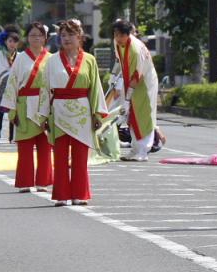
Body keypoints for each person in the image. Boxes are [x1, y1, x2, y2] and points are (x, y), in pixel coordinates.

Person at [40, 20, 107, 206]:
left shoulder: (89, 60)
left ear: (79, 37)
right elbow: (45, 88)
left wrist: (97, 114)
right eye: (63, 35)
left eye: (71, 35)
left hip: (82, 111)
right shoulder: (52, 60)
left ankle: (79, 194)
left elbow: (95, 88)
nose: (66, 39)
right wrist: (44, 114)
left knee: (80, 156)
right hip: (59, 110)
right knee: (60, 155)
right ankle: (61, 194)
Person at [1, 22, 54, 192]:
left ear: (45, 38)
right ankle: (25, 181)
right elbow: (12, 83)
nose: (36, 38)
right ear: (27, 38)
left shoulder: (52, 59)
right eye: (32, 35)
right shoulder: (20, 58)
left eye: (39, 35)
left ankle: (43, 181)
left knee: (45, 146)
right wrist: (12, 110)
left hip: (45, 105)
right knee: (25, 146)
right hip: (24, 105)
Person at [113, 18, 158, 162]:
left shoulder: (136, 49)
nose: (118, 38)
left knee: (143, 115)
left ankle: (143, 151)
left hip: (145, 83)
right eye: (116, 34)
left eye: (121, 35)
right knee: (131, 116)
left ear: (128, 34)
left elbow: (137, 76)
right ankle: (135, 149)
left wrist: (127, 99)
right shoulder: (117, 43)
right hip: (129, 81)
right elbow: (120, 62)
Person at [0, 25, 20, 145]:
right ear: (5, 41)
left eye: (15, 41)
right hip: (2, 86)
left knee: (14, 111)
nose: (12, 44)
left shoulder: (20, 55)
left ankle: (13, 137)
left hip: (14, 86)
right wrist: (12, 73)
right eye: (10, 41)